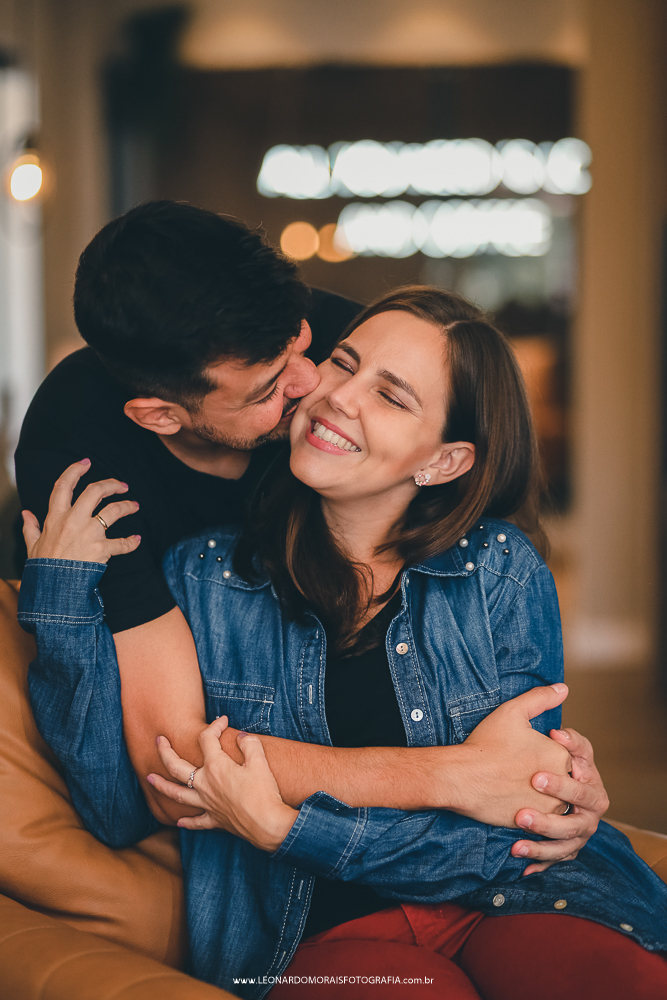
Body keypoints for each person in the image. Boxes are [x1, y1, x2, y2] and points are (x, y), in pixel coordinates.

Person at [18, 287, 667, 999]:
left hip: (529, 899)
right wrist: (62, 603)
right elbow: (121, 807)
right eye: (342, 363)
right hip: (318, 936)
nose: (338, 398)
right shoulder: (201, 576)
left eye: (391, 396)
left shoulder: (499, 572)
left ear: (444, 461)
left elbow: (515, 836)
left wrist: (283, 827)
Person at [15, 205, 606, 863]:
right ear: (161, 416)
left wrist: (556, 785)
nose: (317, 387)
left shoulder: (339, 345)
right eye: (270, 386)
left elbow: (477, 498)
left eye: (302, 341)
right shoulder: (86, 462)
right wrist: (456, 775)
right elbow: (177, 770)